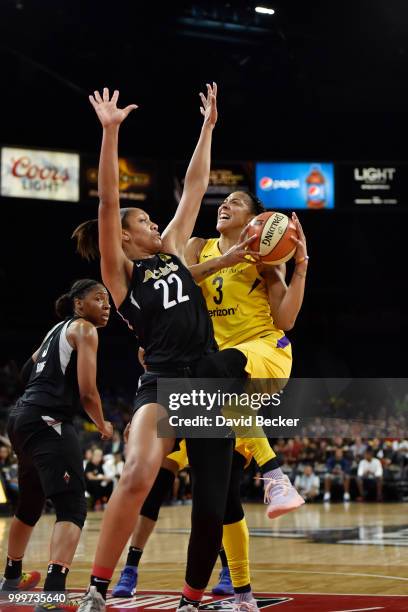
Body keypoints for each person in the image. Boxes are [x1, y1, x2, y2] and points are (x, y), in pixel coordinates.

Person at [73, 85, 249, 612]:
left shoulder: (172, 252)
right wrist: (110, 133)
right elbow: (108, 201)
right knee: (138, 472)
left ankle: (195, 596)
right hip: (165, 379)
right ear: (124, 238)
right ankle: (97, 588)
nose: (155, 224)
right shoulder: (120, 275)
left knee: (212, 498)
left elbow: (195, 186)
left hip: (207, 378)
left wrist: (208, 127)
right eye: (143, 222)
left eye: (154, 221)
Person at [113, 190, 308, 607]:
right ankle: (243, 593)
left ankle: (274, 474)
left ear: (258, 219)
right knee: (221, 498)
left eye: (237, 202)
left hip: (259, 355)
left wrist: (301, 267)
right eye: (225, 201)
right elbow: (175, 289)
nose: (225, 205)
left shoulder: (266, 257)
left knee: (213, 372)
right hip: (210, 380)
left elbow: (286, 319)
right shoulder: (198, 247)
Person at [0, 279, 113, 610]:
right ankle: (52, 595)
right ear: (79, 304)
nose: (106, 305)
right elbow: (87, 391)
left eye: (108, 300)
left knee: (30, 505)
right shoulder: (84, 330)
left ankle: (10, 578)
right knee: (72, 506)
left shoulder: (55, 332)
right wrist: (103, 423)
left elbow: (25, 371)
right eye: (98, 299)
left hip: (21, 418)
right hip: (48, 420)